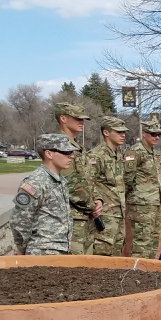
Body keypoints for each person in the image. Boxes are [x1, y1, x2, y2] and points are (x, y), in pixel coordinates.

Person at [10, 133, 79, 255]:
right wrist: (21, 248)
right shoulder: (34, 182)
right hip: (41, 252)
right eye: (66, 152)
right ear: (49, 154)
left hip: (61, 250)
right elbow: (19, 220)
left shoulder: (61, 181)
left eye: (71, 152)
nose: (71, 156)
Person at [54, 101, 102, 255]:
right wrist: (91, 205)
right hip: (71, 217)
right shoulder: (59, 144)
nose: (82, 123)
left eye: (83, 119)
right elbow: (70, 183)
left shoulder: (76, 145)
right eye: (77, 118)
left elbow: (89, 178)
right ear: (63, 118)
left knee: (86, 267)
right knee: (74, 268)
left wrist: (98, 199)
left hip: (86, 216)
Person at [87, 117, 132, 256]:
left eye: (124, 132)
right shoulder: (96, 156)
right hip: (104, 216)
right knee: (102, 257)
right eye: (118, 132)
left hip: (119, 215)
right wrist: (96, 202)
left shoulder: (118, 155)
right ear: (106, 133)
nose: (123, 135)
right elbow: (87, 182)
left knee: (117, 256)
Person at [125, 117, 161, 258]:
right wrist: (135, 197)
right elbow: (127, 178)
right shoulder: (135, 151)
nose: (156, 137)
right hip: (141, 204)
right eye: (153, 134)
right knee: (142, 243)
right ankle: (137, 274)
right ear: (144, 134)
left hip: (153, 203)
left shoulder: (152, 152)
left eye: (158, 134)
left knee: (153, 241)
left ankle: (149, 273)